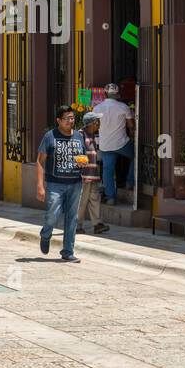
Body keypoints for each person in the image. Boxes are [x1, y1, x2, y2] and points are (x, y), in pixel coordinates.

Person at [35, 105, 86, 263]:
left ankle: (68, 251)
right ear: (58, 120)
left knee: (72, 218)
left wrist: (82, 162)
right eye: (67, 119)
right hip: (55, 184)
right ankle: (46, 235)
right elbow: (40, 161)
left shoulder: (78, 136)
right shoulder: (50, 136)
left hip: (75, 182)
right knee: (52, 215)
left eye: (72, 118)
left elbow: (82, 156)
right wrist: (40, 186)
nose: (70, 121)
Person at [96, 83, 136, 206]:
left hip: (105, 144)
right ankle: (130, 182)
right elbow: (131, 126)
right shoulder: (123, 107)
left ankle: (110, 198)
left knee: (107, 170)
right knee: (136, 156)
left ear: (105, 94)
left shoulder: (97, 108)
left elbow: (95, 125)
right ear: (118, 94)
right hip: (121, 143)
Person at [79, 112, 109, 235]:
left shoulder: (94, 135)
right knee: (82, 201)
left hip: (93, 174)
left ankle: (97, 224)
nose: (99, 124)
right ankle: (76, 225)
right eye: (98, 121)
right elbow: (78, 154)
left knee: (95, 199)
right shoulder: (80, 135)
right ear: (92, 123)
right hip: (84, 175)